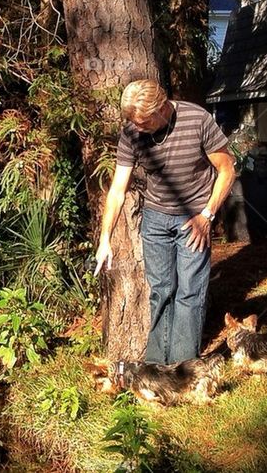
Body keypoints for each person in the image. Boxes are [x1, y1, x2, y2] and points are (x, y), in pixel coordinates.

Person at [93, 79, 236, 364]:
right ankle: (156, 369)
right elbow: (118, 190)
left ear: (161, 108)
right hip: (155, 220)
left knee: (190, 293)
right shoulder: (132, 132)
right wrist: (105, 240)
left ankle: (184, 371)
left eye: (144, 122)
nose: (138, 128)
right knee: (161, 291)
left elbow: (227, 169)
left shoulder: (197, 119)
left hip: (194, 219)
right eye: (134, 122)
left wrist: (207, 216)